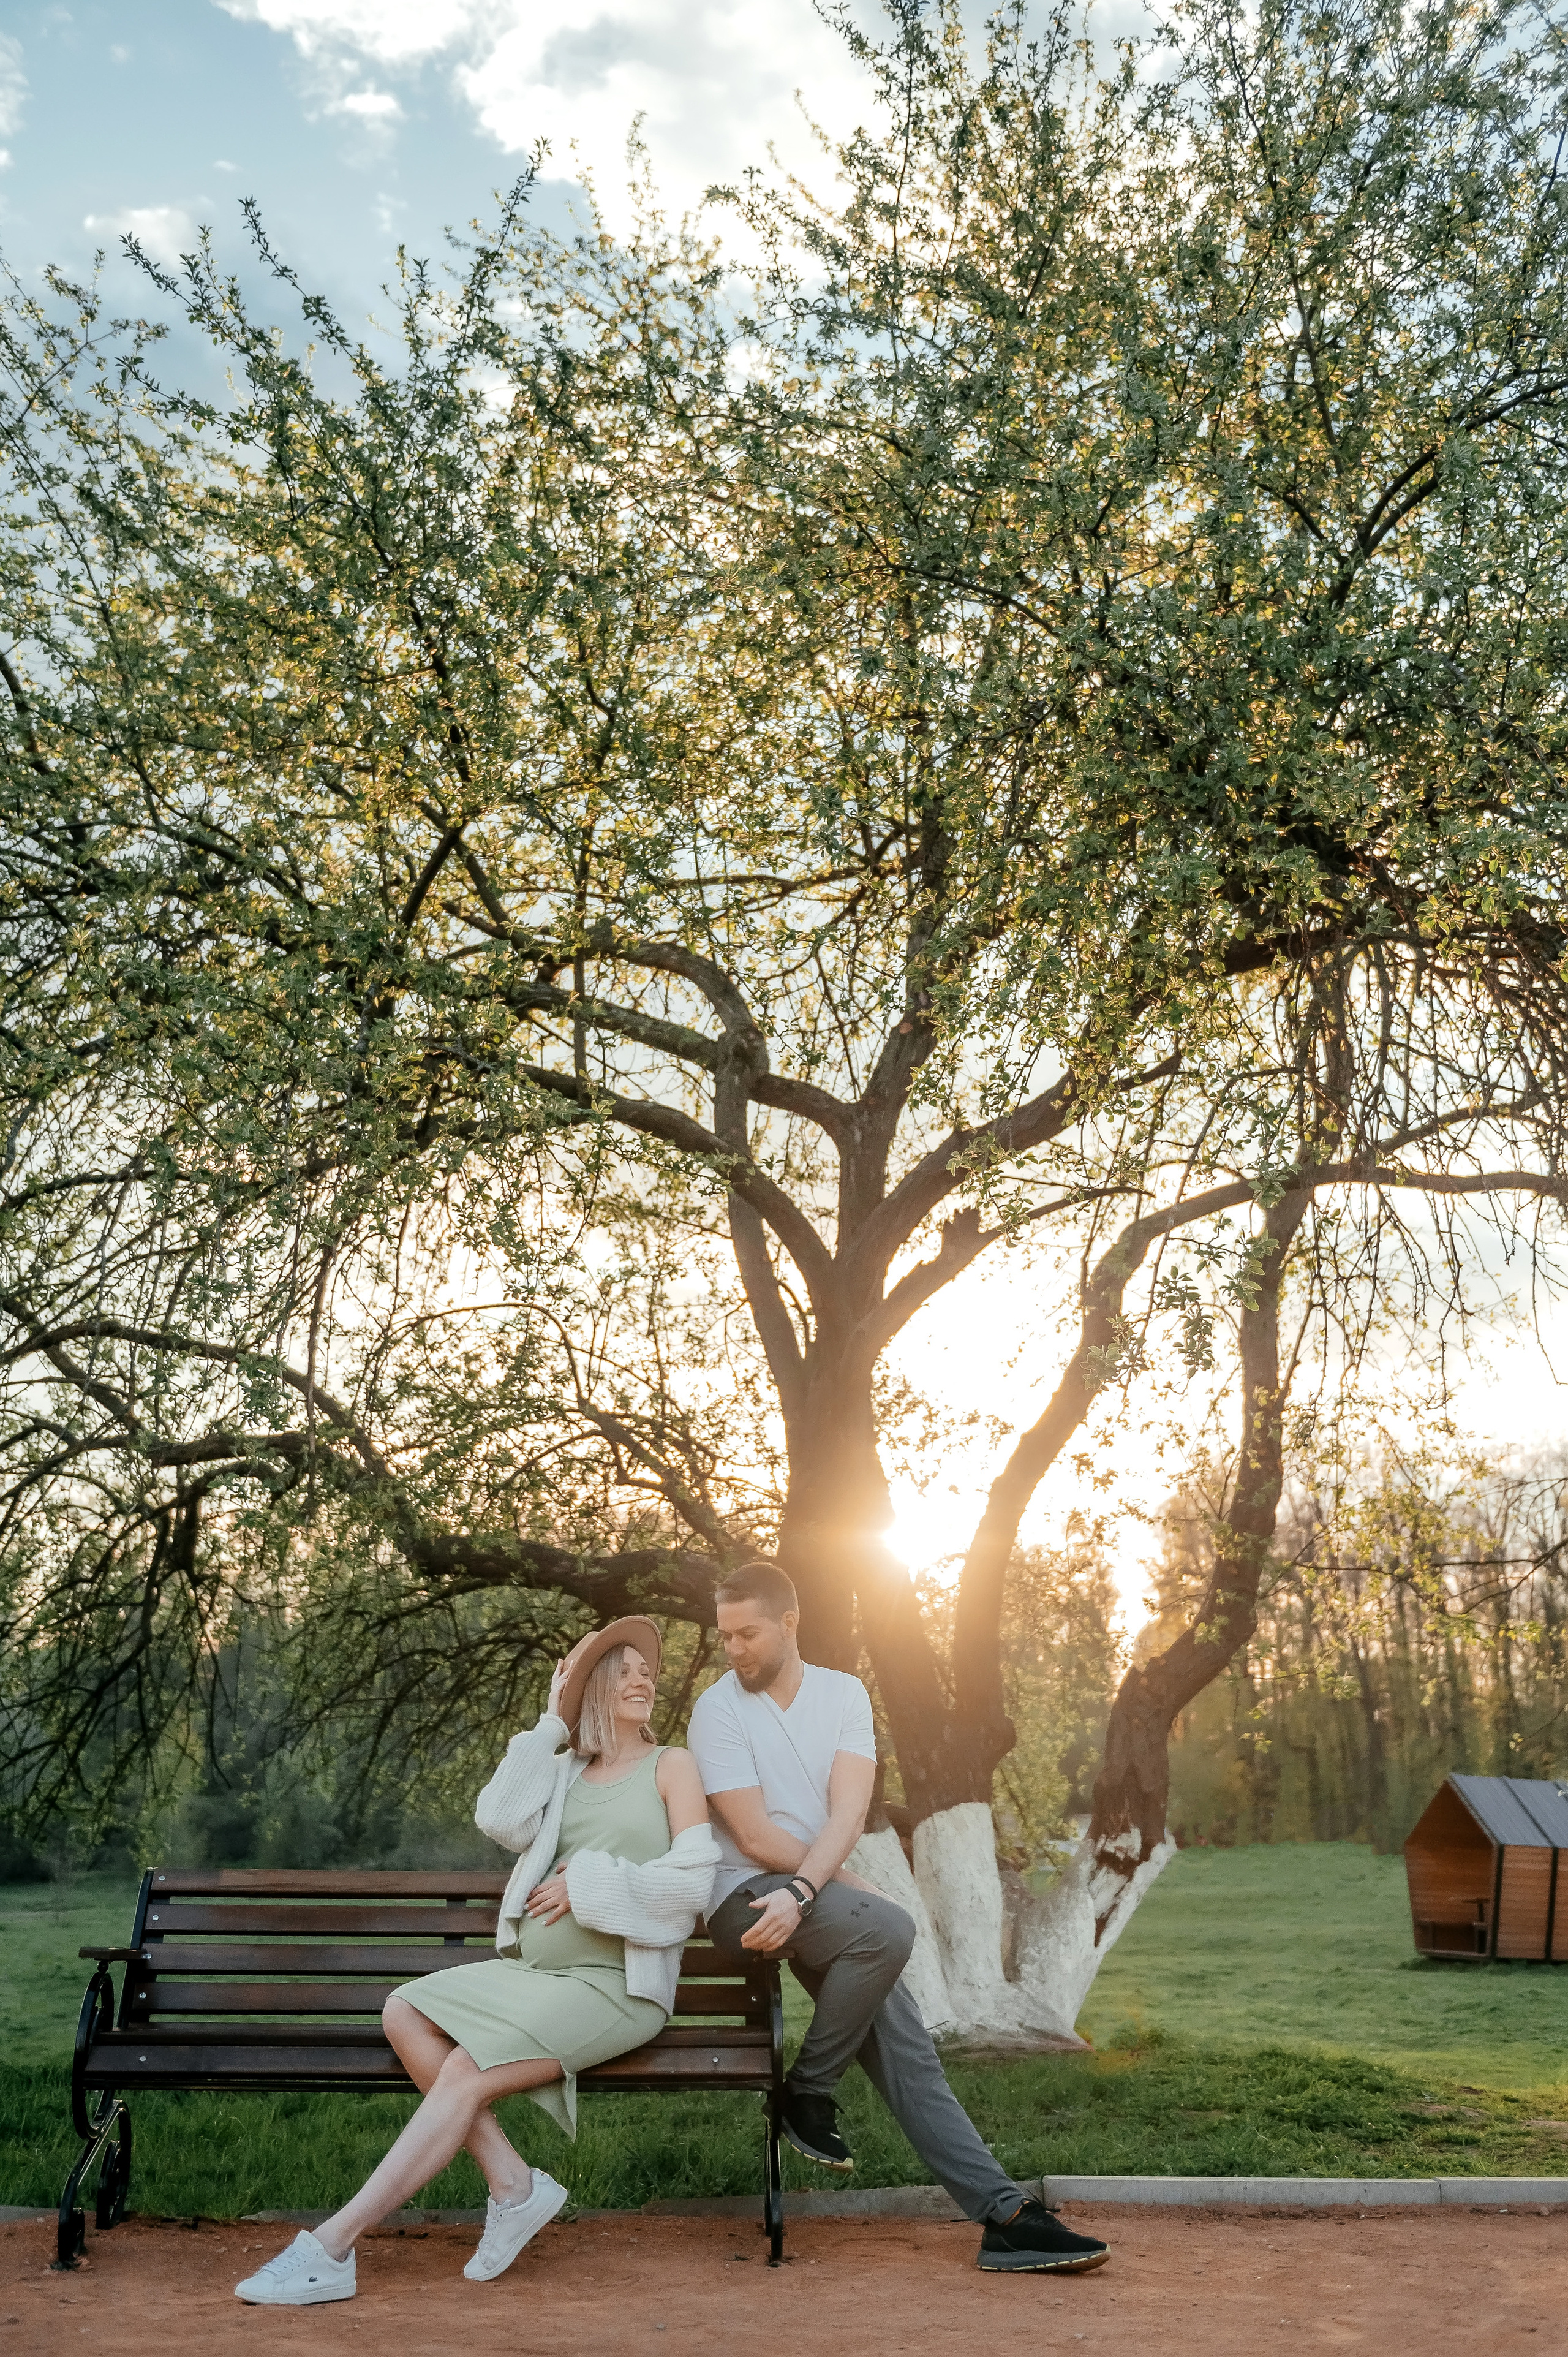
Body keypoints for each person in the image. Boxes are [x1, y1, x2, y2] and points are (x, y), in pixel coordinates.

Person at [235, 1617, 719, 2307]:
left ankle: (332, 2246)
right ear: (590, 1687)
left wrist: (590, 1881)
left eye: (649, 1669)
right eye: (626, 1668)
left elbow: (694, 1881)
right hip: (534, 1975)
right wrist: (549, 1728)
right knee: (404, 2009)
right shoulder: (563, 1768)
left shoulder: (673, 1765)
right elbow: (499, 1819)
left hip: (615, 1986)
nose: (645, 1678)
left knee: (463, 2073)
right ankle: (515, 2185)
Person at [687, 1562, 1110, 2277]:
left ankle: (1004, 2215)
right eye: (725, 1635)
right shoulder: (717, 1709)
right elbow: (754, 1836)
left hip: (811, 1896)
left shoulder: (843, 1694)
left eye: (747, 1633)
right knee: (888, 1927)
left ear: (790, 1622)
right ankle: (810, 2093)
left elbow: (850, 1811)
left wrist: (815, 1885)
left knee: (908, 2052)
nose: (734, 1649)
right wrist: (810, 1887)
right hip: (744, 1900)